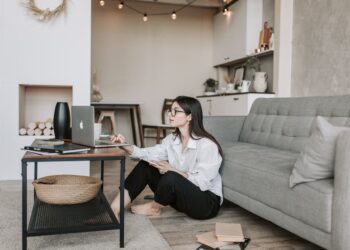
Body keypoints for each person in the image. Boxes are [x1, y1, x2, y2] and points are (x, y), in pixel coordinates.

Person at [110, 96, 223, 220]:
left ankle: (154, 207)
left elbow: (203, 182)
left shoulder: (207, 145)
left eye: (176, 111)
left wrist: (173, 170)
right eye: (170, 110)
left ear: (189, 117)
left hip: (205, 203)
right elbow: (148, 154)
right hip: (183, 199)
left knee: (171, 176)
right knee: (146, 164)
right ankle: (115, 208)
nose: (170, 114)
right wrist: (124, 146)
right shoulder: (172, 140)